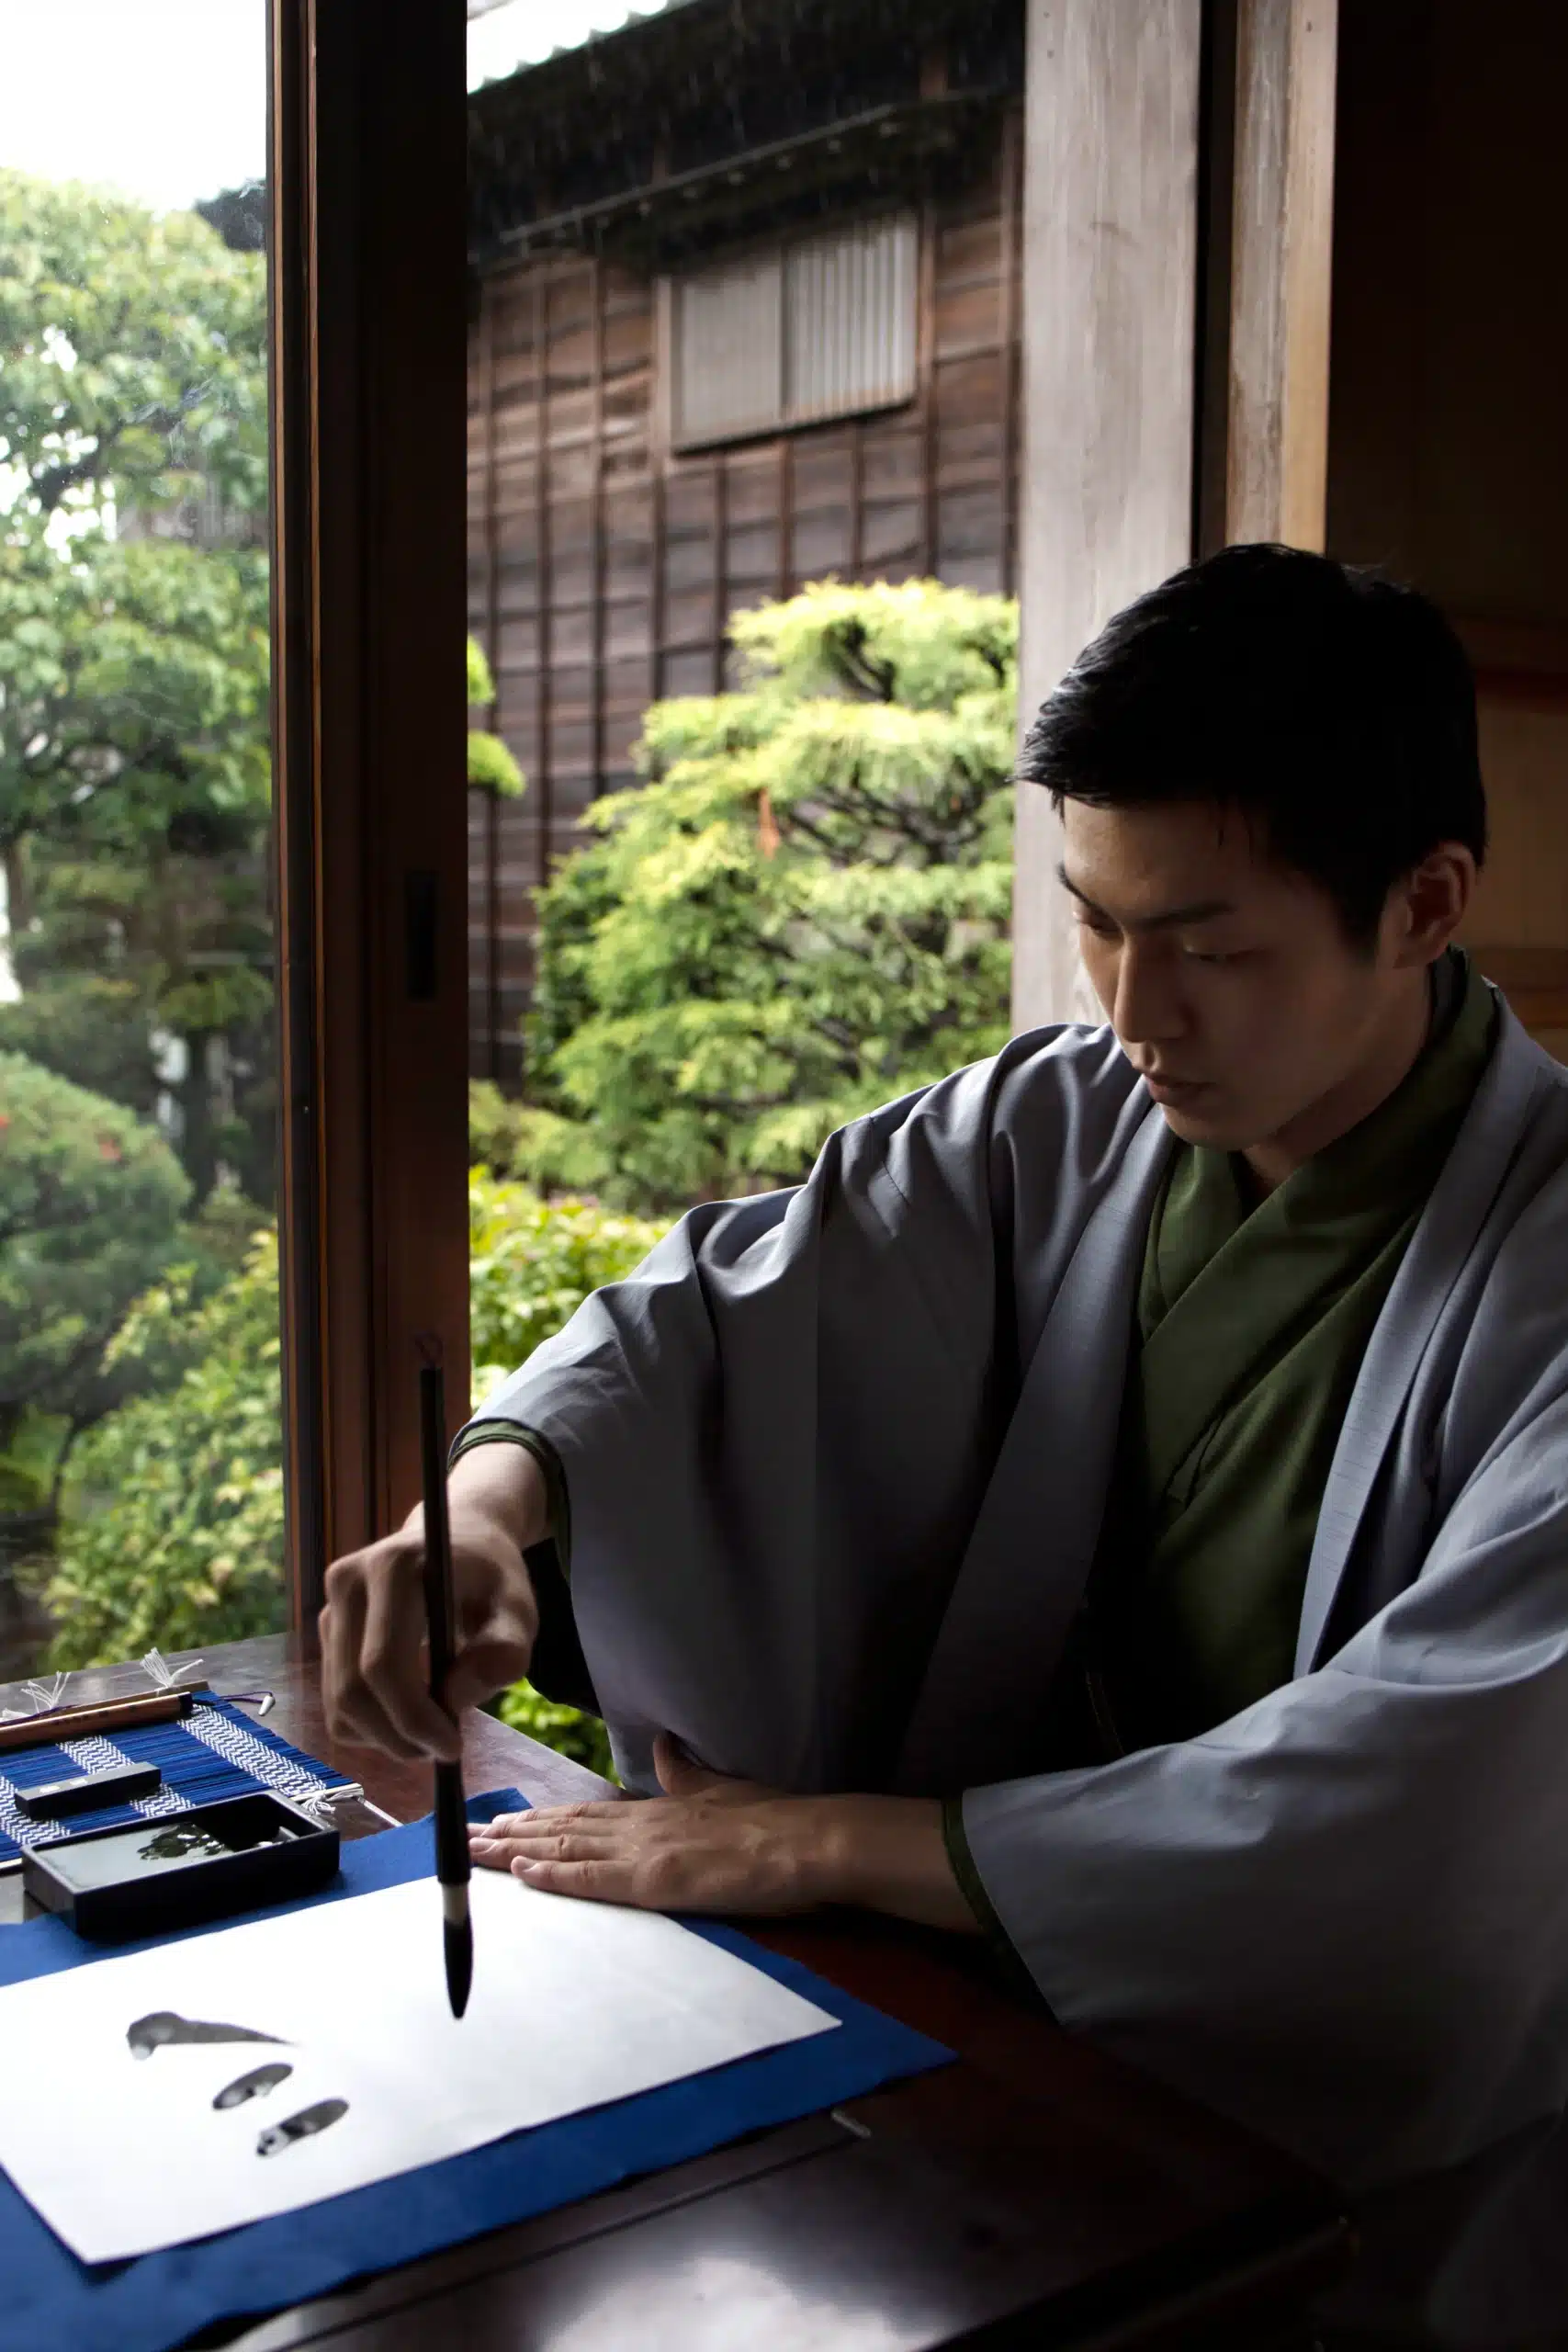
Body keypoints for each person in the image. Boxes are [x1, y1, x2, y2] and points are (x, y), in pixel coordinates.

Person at [321, 544, 1568, 2220]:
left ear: (1422, 904)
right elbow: (726, 1315)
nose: (1135, 1013)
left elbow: (1431, 1801)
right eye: (1096, 925)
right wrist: (482, 1505)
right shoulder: (1060, 1122)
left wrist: (821, 1842)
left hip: (1340, 2123)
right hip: (983, 2011)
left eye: (1209, 949)